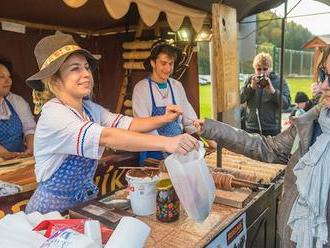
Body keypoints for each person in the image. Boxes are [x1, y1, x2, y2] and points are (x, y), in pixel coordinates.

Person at [24, 32, 199, 214]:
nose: (86, 74)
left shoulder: (90, 109)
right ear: (55, 80)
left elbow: (128, 123)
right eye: (75, 68)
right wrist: (168, 142)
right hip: (51, 210)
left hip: (82, 202)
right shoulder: (54, 114)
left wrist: (165, 118)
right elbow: (106, 136)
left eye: (86, 67)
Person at [194, 45, 330, 247]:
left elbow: (284, 104)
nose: (324, 85)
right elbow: (266, 147)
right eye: (324, 74)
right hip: (293, 239)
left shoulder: (279, 82)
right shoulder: (311, 122)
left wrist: (271, 90)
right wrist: (210, 128)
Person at [132, 40, 198, 163]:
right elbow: (143, 126)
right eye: (163, 63)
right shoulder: (142, 88)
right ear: (153, 63)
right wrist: (166, 146)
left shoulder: (176, 86)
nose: (168, 68)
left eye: (171, 64)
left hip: (178, 151)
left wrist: (205, 135)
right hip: (152, 154)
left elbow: (189, 119)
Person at [240, 52, 291, 136]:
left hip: (272, 128)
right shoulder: (250, 80)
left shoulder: (279, 81)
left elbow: (286, 104)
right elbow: (240, 99)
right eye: (259, 69)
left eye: (265, 69)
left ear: (270, 68)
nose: (262, 72)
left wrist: (273, 92)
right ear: (254, 69)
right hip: (252, 127)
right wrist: (251, 88)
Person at [0, 59, 36, 160]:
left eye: (9, 76)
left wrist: (30, 150)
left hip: (19, 160)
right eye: (1, 77)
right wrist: (4, 153)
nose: (8, 81)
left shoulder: (16, 101)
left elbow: (29, 128)